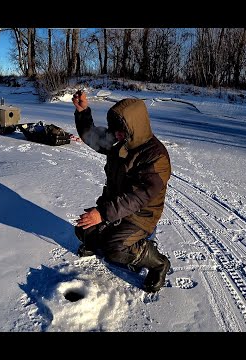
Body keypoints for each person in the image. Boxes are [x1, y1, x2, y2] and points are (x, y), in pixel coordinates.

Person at [72, 90, 172, 293]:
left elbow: (137, 199)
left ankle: (158, 263)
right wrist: (83, 111)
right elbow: (93, 137)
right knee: (83, 230)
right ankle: (100, 241)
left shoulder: (156, 157)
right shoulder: (120, 141)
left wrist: (102, 214)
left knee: (115, 250)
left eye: (120, 131)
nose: (115, 135)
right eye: (115, 130)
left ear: (134, 127)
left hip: (140, 216)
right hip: (113, 208)